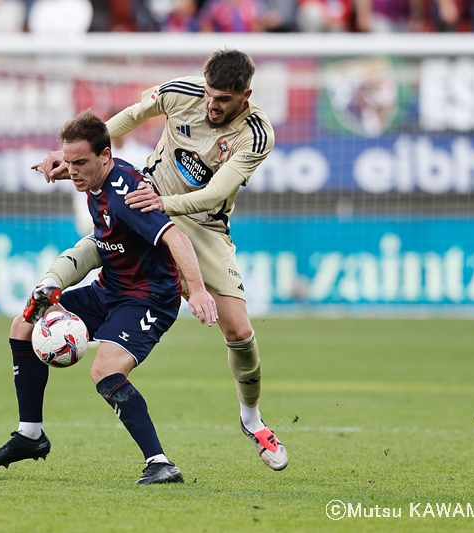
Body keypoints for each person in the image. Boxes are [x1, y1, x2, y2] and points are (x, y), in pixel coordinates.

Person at [31, 49, 289, 472]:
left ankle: (251, 418)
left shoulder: (257, 134)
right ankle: (31, 428)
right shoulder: (179, 92)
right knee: (101, 247)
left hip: (202, 226)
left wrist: (164, 203)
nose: (212, 105)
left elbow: (215, 193)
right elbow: (129, 118)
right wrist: (79, 154)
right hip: (145, 200)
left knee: (240, 331)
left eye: (223, 99)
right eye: (209, 94)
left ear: (246, 95)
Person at [0, 110, 218, 485]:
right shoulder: (94, 179)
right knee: (23, 324)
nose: (72, 171)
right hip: (109, 290)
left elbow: (176, 237)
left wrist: (199, 290)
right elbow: (94, 242)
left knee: (104, 370)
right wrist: (60, 162)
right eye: (68, 162)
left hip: (148, 299)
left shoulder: (125, 195)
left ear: (105, 156)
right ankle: (30, 435)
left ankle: (160, 463)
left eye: (80, 163)